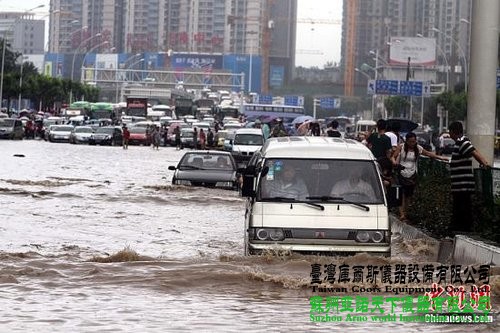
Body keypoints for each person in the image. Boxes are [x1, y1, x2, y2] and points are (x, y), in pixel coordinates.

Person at [392, 132, 449, 222]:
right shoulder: (401, 147)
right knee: (401, 194)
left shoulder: (418, 148)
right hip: (401, 173)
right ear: (406, 141)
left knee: (409, 196)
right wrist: (394, 162)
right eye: (410, 141)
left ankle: (405, 213)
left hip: (412, 174)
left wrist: (440, 158)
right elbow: (393, 156)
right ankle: (402, 214)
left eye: (414, 141)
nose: (412, 143)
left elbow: (429, 154)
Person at [448, 121, 490, 234]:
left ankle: (464, 229)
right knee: (459, 207)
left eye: (450, 131)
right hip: (459, 185)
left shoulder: (463, 142)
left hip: (463, 184)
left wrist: (484, 163)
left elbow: (474, 152)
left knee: (463, 207)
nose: (449, 134)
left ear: (453, 131)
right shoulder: (459, 142)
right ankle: (458, 229)